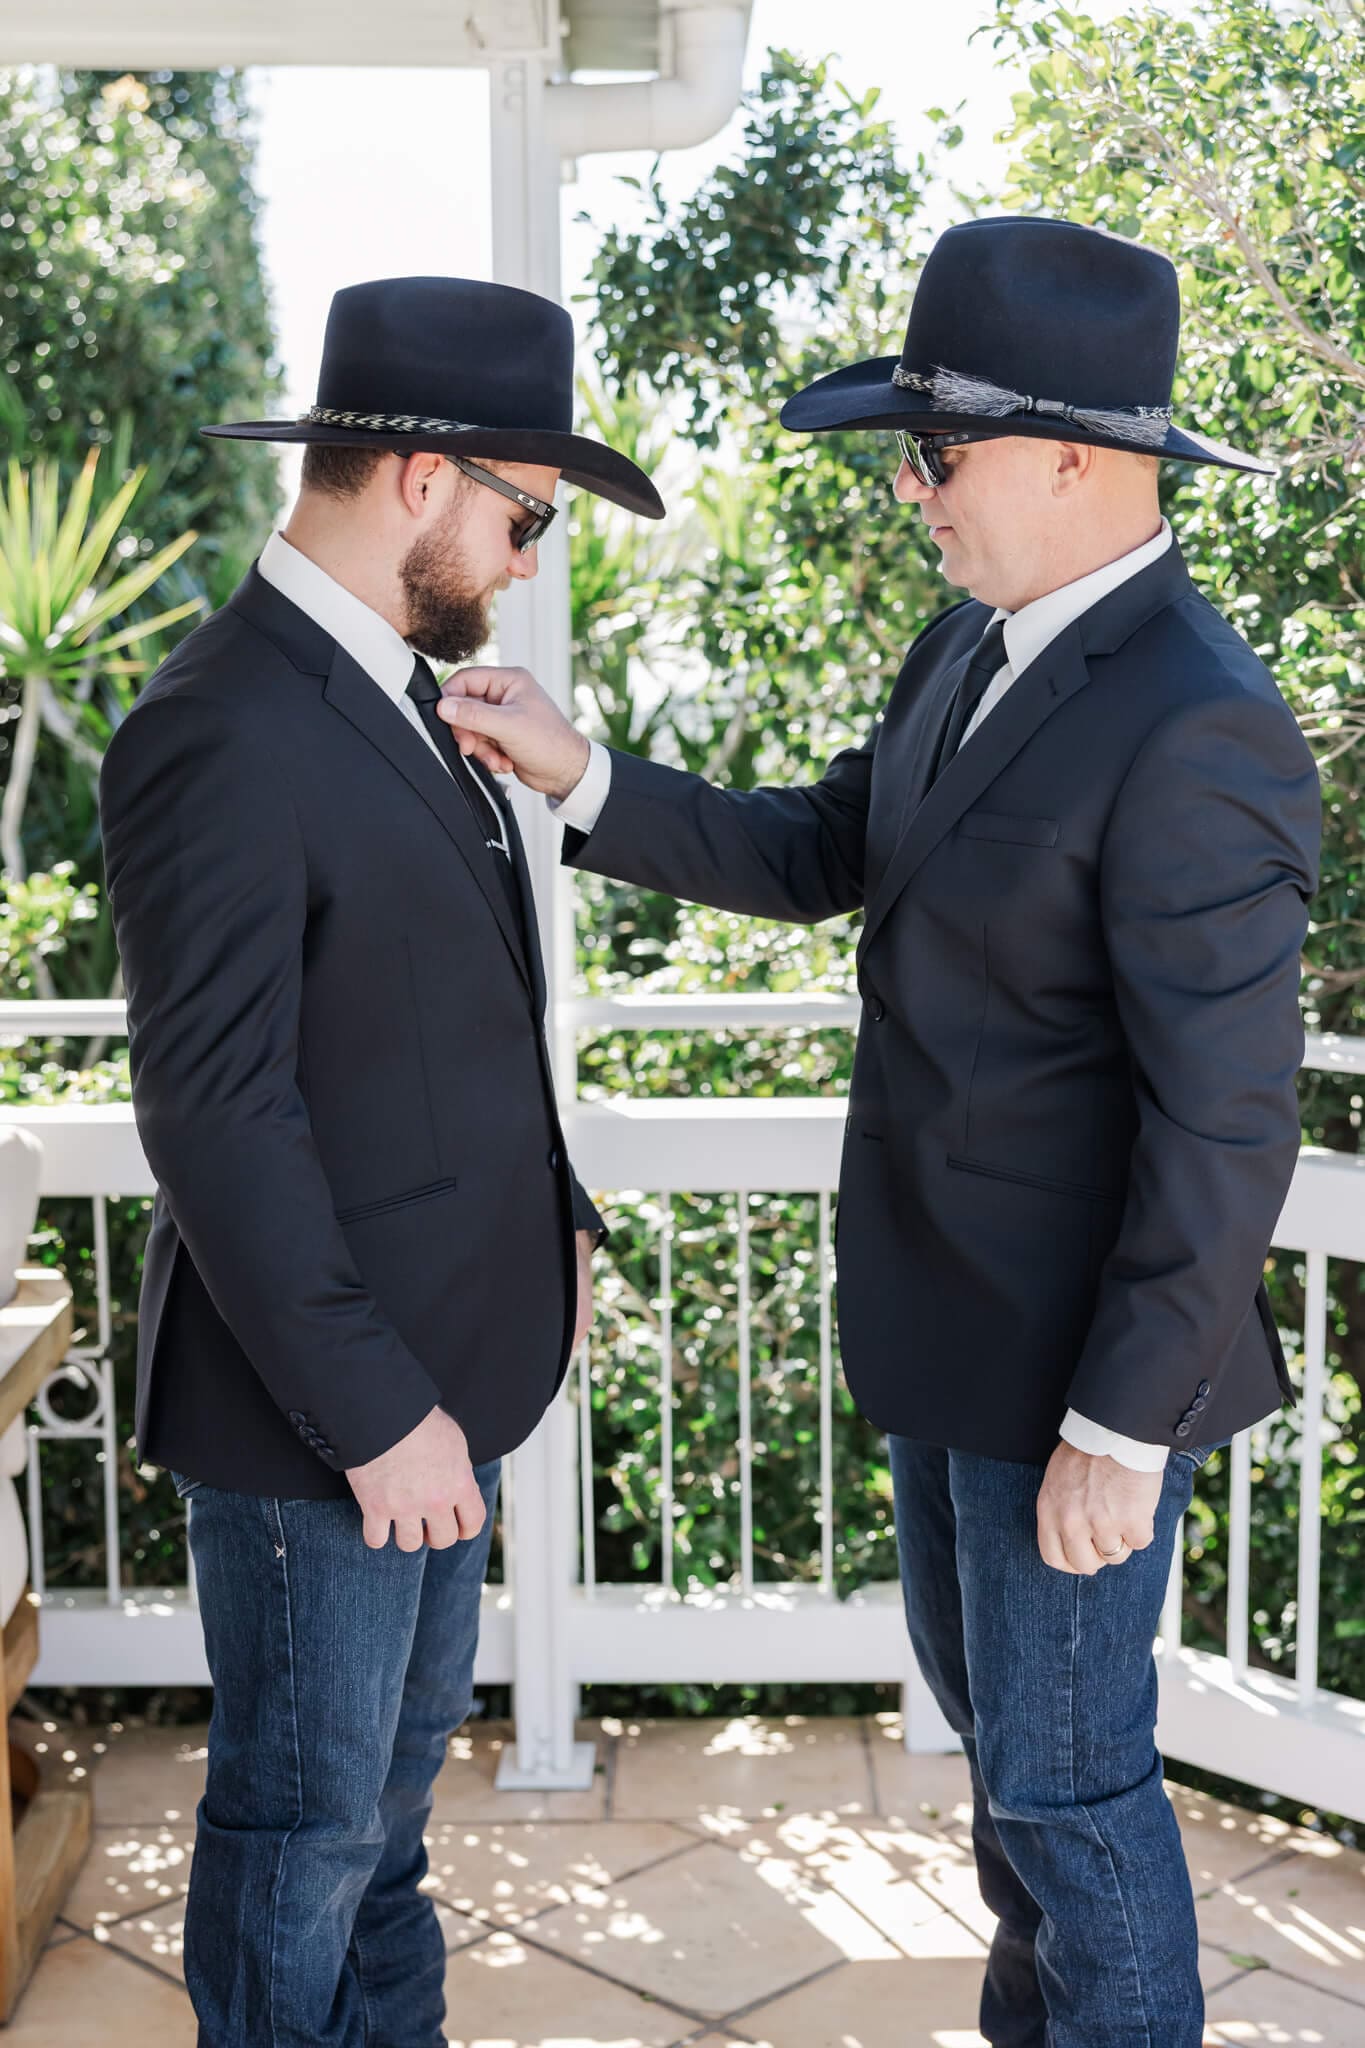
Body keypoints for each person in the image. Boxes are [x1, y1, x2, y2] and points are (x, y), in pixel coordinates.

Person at [433, 217, 1322, 2047]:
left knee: (1070, 1801)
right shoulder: (965, 652)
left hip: (1074, 1383)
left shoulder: (1199, 722)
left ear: (1070, 456)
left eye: (937, 451)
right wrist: (577, 771)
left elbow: (1227, 1117)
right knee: (1013, 1788)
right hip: (946, 1340)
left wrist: (1117, 1431)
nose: (911, 488)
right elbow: (825, 849)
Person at [98, 275, 663, 2048]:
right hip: (327, 1422)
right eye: (526, 516)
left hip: (444, 1383)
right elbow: (216, 1110)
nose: (526, 561)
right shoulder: (219, 723)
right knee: (305, 1835)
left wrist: (557, 1221)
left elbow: (430, 1033)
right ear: (423, 477)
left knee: (386, 1832)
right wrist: (373, 1414)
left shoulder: (408, 698)